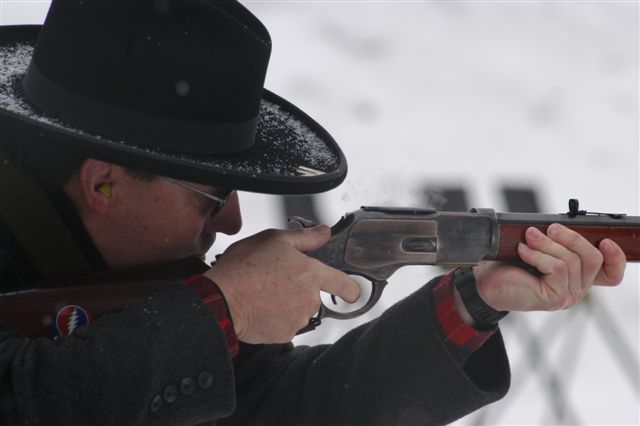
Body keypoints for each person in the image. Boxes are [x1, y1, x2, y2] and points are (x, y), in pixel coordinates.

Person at [0, 1, 626, 425]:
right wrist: (222, 307)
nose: (233, 224)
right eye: (212, 194)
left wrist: (476, 301)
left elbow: (294, 408)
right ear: (104, 184)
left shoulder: (134, 287)